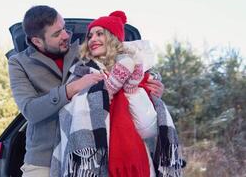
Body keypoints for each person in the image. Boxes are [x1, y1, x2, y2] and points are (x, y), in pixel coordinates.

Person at [9, 5, 164, 177]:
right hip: (43, 157)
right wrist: (73, 87)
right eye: (56, 34)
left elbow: (120, 60)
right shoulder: (19, 63)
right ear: (37, 41)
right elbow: (30, 111)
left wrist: (152, 81)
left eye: (64, 29)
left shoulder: (84, 50)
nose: (66, 36)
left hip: (89, 153)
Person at [51, 11, 183, 177]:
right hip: (93, 165)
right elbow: (68, 117)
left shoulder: (141, 76)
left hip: (136, 165)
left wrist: (131, 90)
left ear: (113, 38)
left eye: (100, 34)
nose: (93, 39)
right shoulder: (80, 74)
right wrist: (105, 93)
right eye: (90, 36)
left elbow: (147, 130)